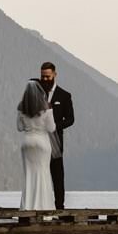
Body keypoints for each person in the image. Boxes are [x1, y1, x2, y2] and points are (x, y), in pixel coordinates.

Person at [38, 62, 75, 210]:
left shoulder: (64, 95)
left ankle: (59, 205)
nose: (45, 79)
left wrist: (55, 126)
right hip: (39, 139)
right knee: (40, 172)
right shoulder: (37, 92)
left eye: (48, 76)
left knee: (57, 174)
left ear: (55, 75)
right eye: (42, 76)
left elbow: (71, 119)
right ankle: (40, 204)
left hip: (55, 140)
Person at [17, 80, 56, 211]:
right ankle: (44, 207)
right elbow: (51, 128)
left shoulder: (21, 110)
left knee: (29, 175)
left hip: (27, 143)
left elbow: (19, 127)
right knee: (43, 174)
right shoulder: (47, 110)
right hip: (41, 143)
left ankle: (27, 207)